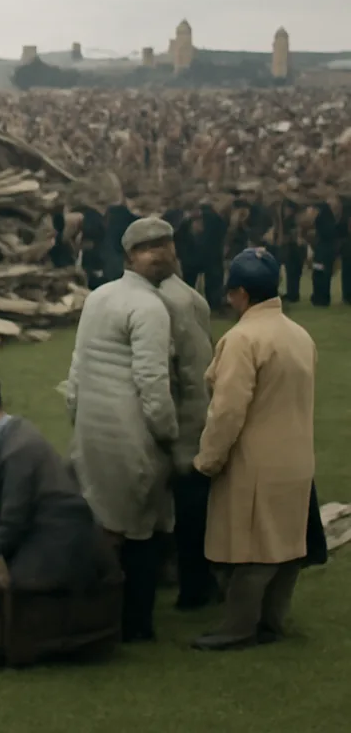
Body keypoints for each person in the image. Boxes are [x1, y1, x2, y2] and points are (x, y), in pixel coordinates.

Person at [192, 248, 316, 651]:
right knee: (285, 548)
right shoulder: (299, 335)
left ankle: (239, 627)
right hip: (296, 456)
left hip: (255, 459)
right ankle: (272, 621)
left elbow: (227, 410)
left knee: (251, 550)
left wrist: (208, 459)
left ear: (241, 293)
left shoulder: (243, 338)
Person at [65, 216, 178, 642]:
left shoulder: (99, 296)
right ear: (130, 256)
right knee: (140, 534)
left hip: (92, 433)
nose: (161, 253)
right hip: (132, 437)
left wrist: (76, 414)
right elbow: (153, 383)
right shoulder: (150, 307)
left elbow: (76, 369)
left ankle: (96, 614)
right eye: (150, 247)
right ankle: (135, 626)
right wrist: (168, 433)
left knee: (102, 526)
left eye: (166, 244)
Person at [0, 373, 111, 593]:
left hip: (57, 553)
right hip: (37, 543)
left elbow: (12, 525)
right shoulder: (1, 443)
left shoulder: (19, 451)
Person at [156, 258, 216, 610]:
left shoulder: (168, 302)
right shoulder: (185, 295)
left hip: (182, 418)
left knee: (188, 504)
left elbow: (183, 371)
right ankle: (191, 575)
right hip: (191, 413)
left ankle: (194, 586)